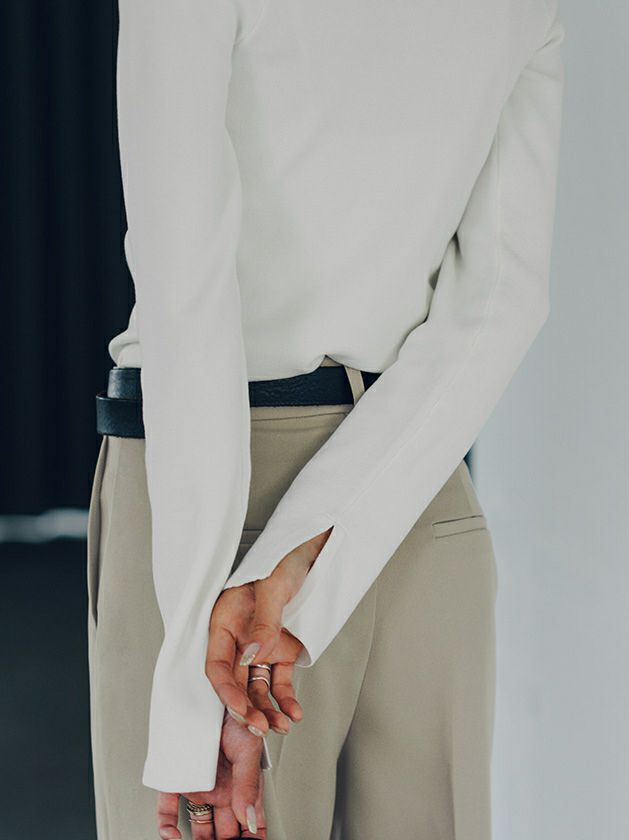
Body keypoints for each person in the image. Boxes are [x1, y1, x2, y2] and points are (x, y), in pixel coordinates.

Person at [87, 0, 566, 837]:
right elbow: (503, 298)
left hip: (212, 512)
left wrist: (197, 691)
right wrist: (308, 556)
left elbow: (187, 292)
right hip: (419, 500)